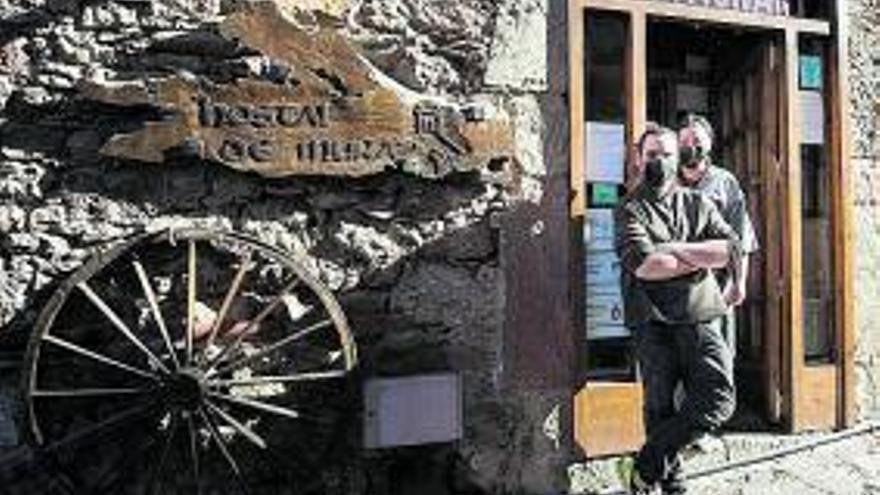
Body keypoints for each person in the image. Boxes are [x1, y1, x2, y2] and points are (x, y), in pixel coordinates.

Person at [615, 124, 743, 495]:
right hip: (651, 322)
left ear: (677, 157)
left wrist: (672, 248)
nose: (660, 160)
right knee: (659, 408)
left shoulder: (698, 202)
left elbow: (728, 250)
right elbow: (646, 266)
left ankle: (645, 463)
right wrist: (697, 255)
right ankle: (673, 486)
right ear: (639, 158)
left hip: (700, 315)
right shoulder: (628, 209)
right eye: (652, 153)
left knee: (718, 400)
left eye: (666, 153)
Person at [677, 114, 759, 356]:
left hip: (716, 291)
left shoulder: (725, 183)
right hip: (674, 293)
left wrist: (738, 283)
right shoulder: (667, 181)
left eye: (697, 141)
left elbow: (741, 238)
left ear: (710, 144)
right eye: (685, 141)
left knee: (718, 364)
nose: (691, 147)